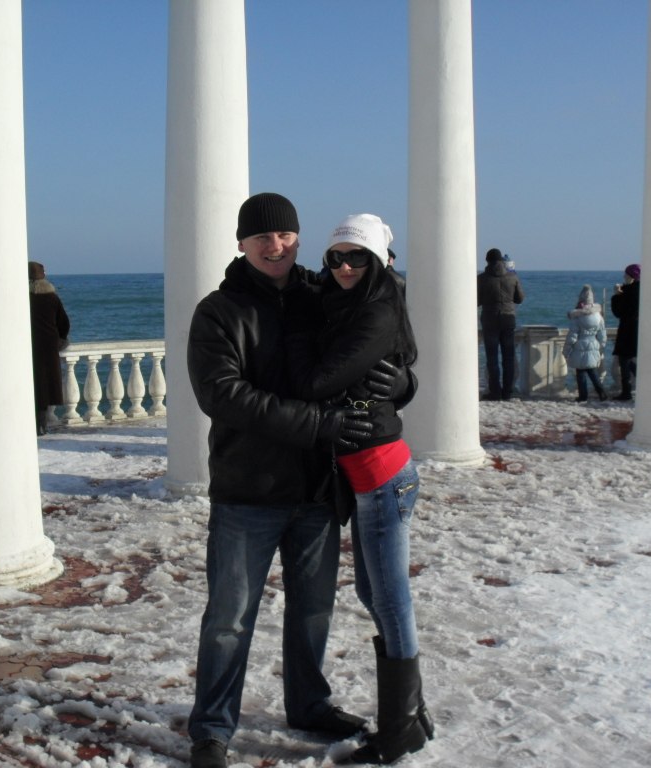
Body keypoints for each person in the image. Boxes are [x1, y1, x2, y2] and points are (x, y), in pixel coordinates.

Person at [185, 193, 407, 768]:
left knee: (313, 611)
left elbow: (379, 334)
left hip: (316, 488)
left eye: (283, 234)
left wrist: (400, 383)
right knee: (229, 618)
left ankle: (308, 705)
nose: (274, 245)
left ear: (299, 237)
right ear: (241, 243)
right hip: (247, 489)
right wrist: (318, 425)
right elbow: (222, 395)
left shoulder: (321, 294)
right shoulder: (219, 311)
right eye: (261, 236)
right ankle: (212, 729)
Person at [284, 214, 434, 765]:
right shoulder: (344, 300)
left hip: (382, 478)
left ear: (377, 261)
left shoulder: (375, 311)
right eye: (336, 257)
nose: (345, 267)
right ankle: (412, 714)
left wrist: (296, 339)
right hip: (369, 476)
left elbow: (318, 382)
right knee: (375, 596)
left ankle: (400, 731)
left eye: (357, 257)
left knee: (389, 599)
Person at [28, 261, 70, 435]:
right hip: (49, 347)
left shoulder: (24, 297)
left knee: (33, 386)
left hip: (30, 346)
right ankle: (42, 425)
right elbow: (64, 323)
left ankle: (35, 424)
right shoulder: (52, 297)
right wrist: (60, 340)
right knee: (45, 387)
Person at [477, 248, 525, 400]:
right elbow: (520, 298)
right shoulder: (512, 277)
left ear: (487, 261)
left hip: (489, 319)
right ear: (501, 261)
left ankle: (495, 392)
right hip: (508, 319)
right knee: (508, 357)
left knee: (492, 358)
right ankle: (508, 392)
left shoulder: (481, 278)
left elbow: (476, 301)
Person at [563, 284, 607, 402]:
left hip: (580, 346)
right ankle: (601, 392)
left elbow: (572, 336)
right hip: (593, 344)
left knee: (580, 372)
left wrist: (566, 350)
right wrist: (601, 347)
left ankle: (583, 396)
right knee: (592, 371)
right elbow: (602, 334)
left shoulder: (577, 317)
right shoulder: (598, 316)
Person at [611, 263, 641, 401]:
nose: (624, 277)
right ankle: (645, 384)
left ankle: (626, 392)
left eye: (626, 275)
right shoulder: (645, 290)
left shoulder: (629, 292)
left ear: (632, 276)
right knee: (628, 361)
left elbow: (619, 312)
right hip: (639, 329)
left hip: (628, 331)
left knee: (624, 361)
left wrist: (617, 295)